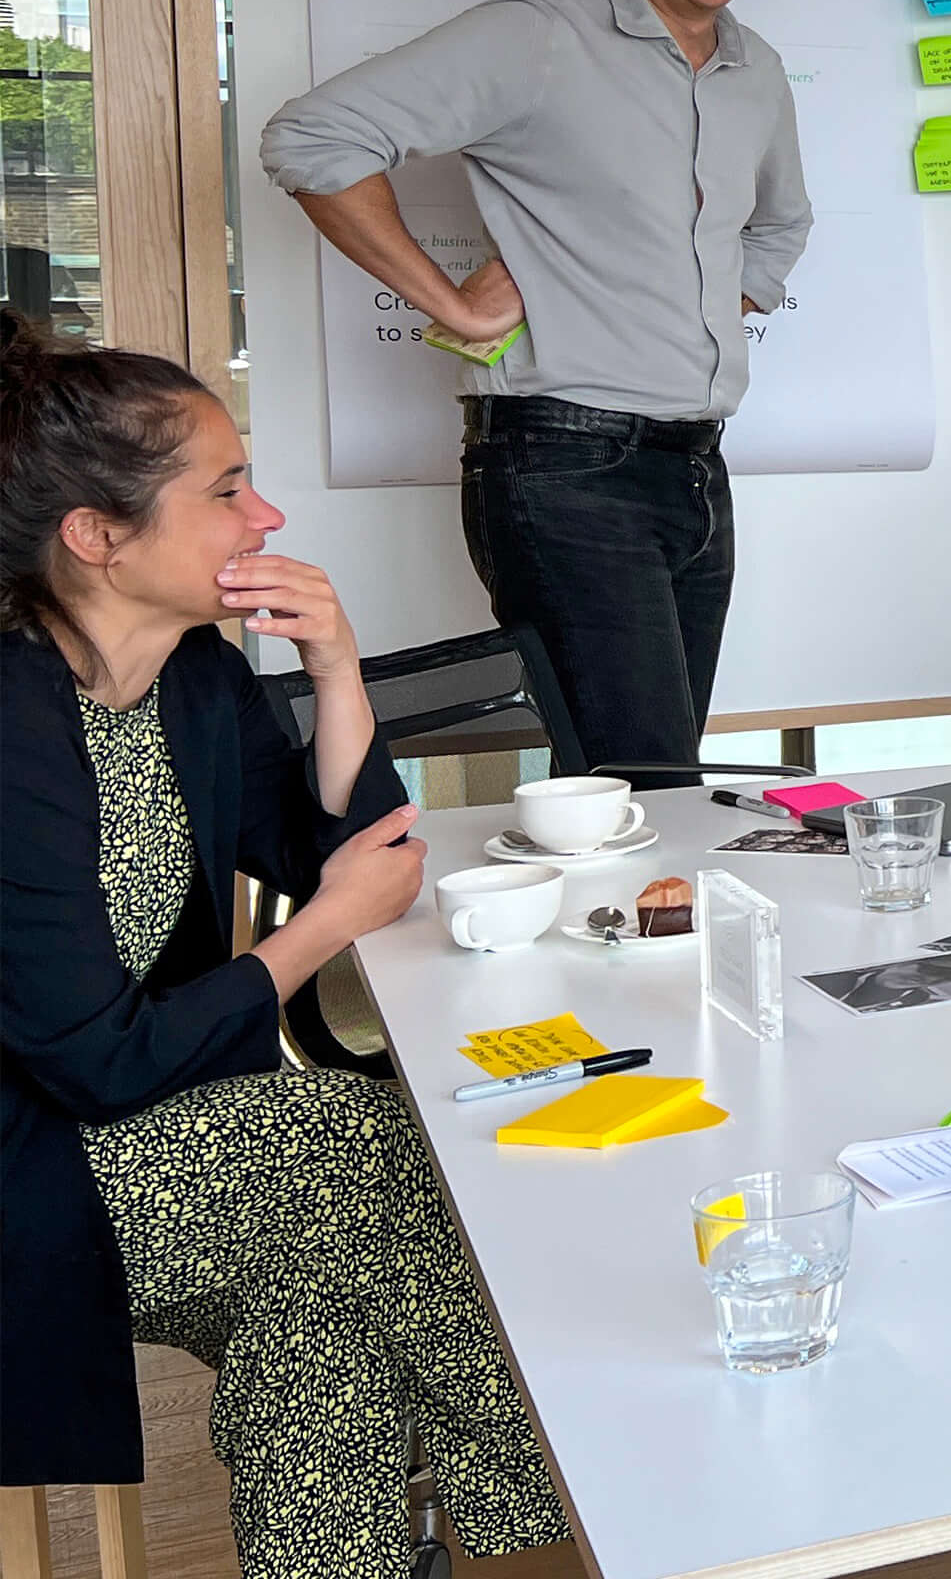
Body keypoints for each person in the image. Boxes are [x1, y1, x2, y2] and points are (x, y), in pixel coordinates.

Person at [0, 315, 567, 1572]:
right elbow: (91, 1061)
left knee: (323, 1304)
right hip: (34, 1167)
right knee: (357, 1145)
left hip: (159, 1136)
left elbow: (364, 864)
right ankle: (568, 1503)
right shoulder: (10, 720)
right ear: (95, 537)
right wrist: (317, 935)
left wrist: (339, 671)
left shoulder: (188, 673)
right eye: (226, 489)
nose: (266, 518)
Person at [259, 0, 813, 788]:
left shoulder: (754, 68)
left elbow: (778, 228)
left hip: (695, 470)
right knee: (643, 787)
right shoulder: (541, 37)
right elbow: (312, 139)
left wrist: (674, 305)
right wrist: (456, 304)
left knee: (648, 786)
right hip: (566, 468)